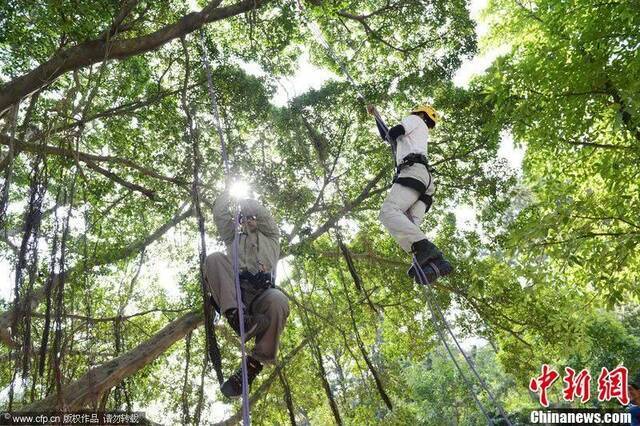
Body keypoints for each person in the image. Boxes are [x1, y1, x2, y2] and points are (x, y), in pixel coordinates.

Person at [204, 189, 289, 398]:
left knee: (278, 300)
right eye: (244, 219)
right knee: (214, 258)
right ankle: (237, 318)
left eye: (252, 218)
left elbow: (263, 214)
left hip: (261, 295)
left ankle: (253, 364)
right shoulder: (233, 237)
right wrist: (227, 193)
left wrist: (243, 198)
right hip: (236, 293)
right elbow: (220, 214)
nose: (249, 220)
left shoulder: (271, 235)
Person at [367, 104, 453, 284]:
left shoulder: (415, 120)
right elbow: (388, 136)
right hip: (425, 183)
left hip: (414, 173)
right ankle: (437, 264)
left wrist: (381, 120)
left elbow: (393, 132)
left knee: (388, 212)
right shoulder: (418, 134)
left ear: (421, 113)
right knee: (409, 226)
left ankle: (427, 250)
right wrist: (377, 116)